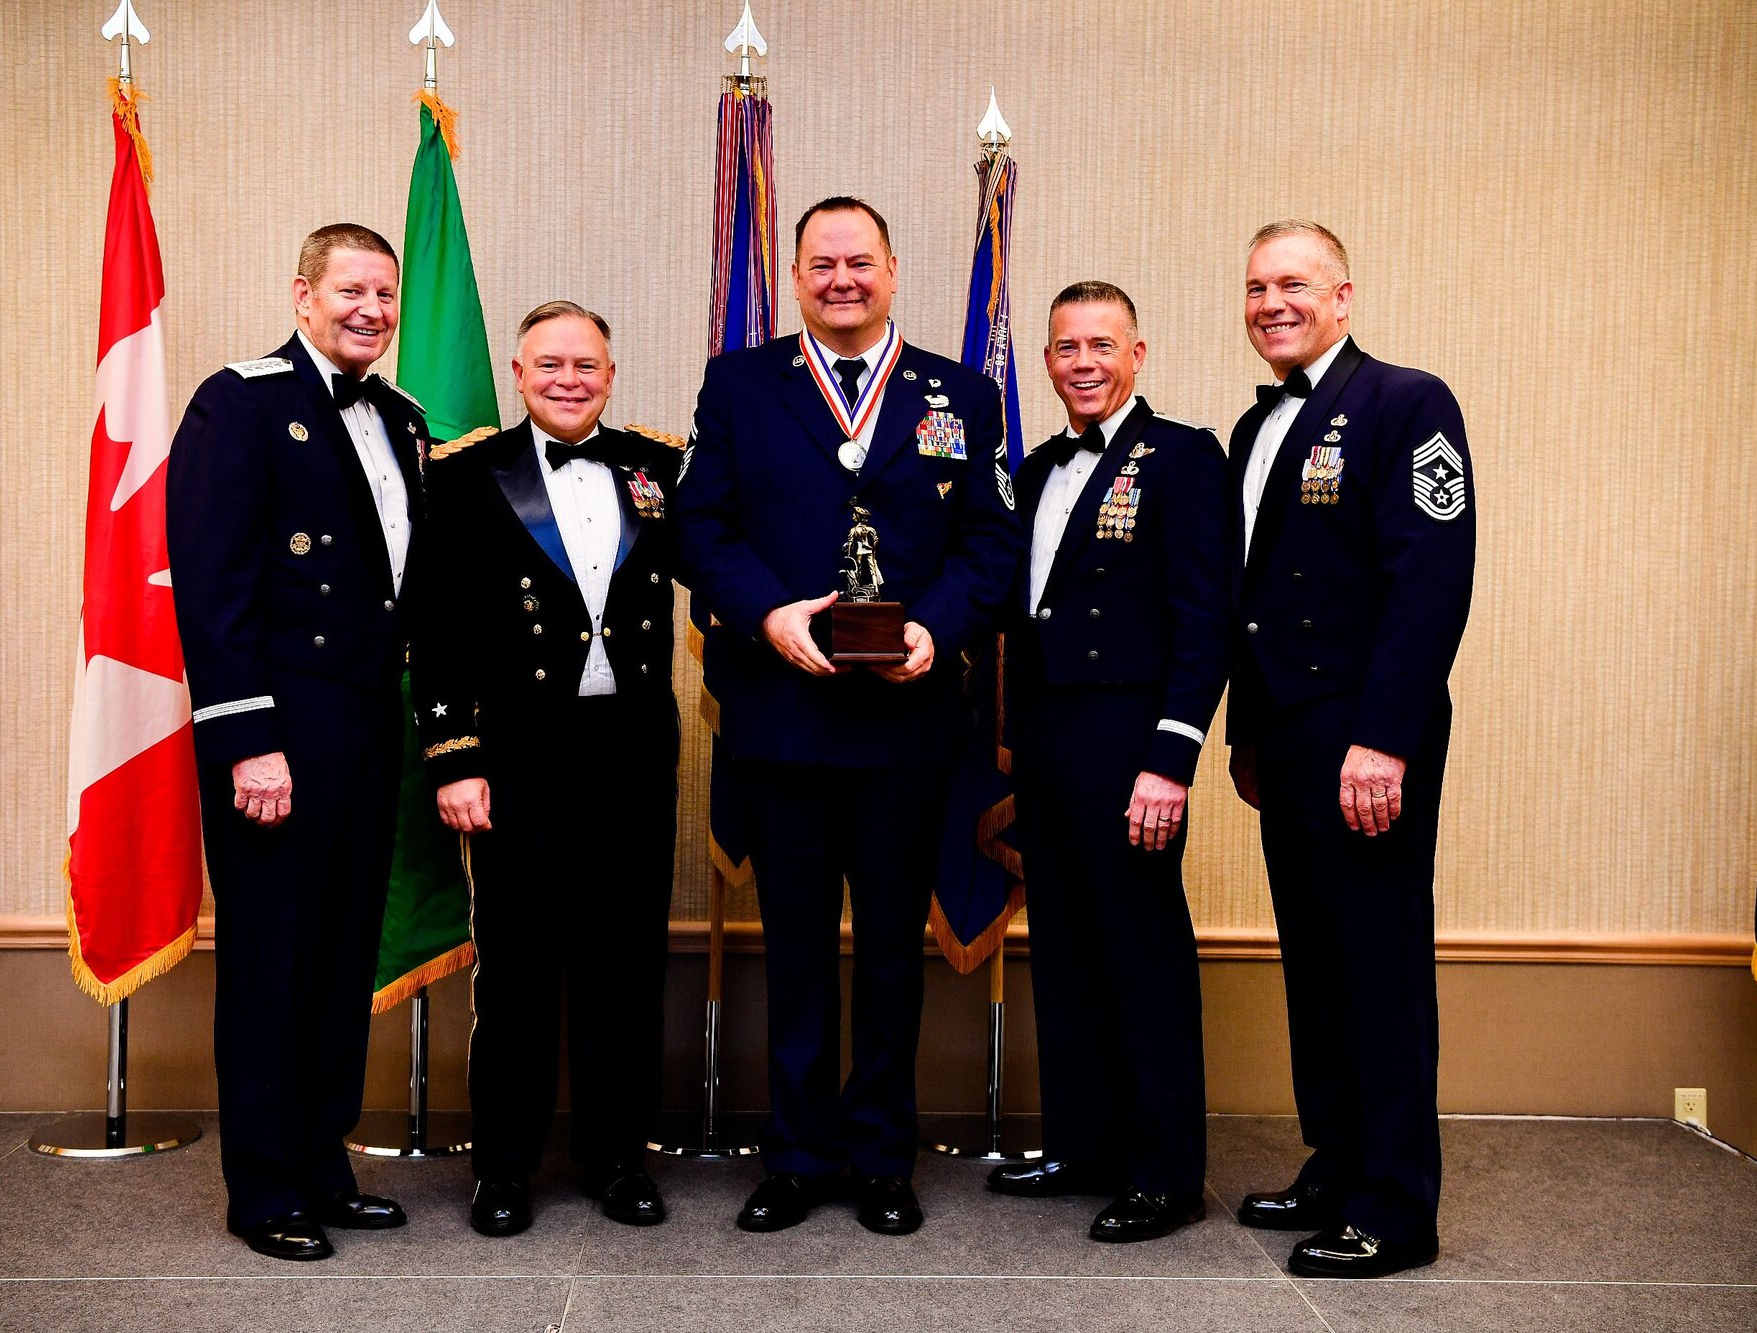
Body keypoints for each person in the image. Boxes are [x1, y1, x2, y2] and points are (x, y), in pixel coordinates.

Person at [676, 196, 1020, 1236]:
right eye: (821, 263)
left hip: (907, 722)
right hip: (783, 715)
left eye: (858, 261)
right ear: (794, 276)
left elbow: (991, 541)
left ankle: (879, 1156)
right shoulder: (739, 386)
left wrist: (941, 628)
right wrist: (766, 611)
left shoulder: (961, 393)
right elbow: (699, 524)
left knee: (883, 951)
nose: (840, 279)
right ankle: (795, 1154)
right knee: (792, 950)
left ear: (893, 268)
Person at [168, 223, 425, 1262]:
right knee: (273, 957)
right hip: (278, 729)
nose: (369, 309)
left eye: (384, 295)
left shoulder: (401, 418)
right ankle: (262, 1183)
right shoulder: (241, 401)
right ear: (304, 293)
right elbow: (213, 585)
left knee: (339, 955)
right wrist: (248, 741)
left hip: (366, 725)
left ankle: (323, 1161)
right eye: (350, 290)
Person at [1226, 221, 1475, 1277]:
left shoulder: (1404, 402)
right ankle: (1335, 1159)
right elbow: (1250, 600)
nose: (1270, 302)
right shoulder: (1252, 428)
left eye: (1292, 283)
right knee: (1314, 963)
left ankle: (1395, 1206)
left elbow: (1430, 578)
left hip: (1363, 735)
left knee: (1375, 966)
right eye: (1253, 287)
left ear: (1342, 296)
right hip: (1284, 737)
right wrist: (1243, 732)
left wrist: (1383, 739)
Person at [407, 301, 681, 1237]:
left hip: (634, 753)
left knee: (625, 964)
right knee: (517, 970)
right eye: (550, 365)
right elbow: (435, 630)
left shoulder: (660, 468)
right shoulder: (465, 476)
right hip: (520, 754)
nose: (570, 380)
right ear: (518, 375)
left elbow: (725, 564)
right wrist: (454, 758)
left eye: (588, 366)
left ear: (612, 375)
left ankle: (617, 1158)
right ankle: (505, 1168)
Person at [987, 282, 1229, 1242]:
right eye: (1064, 347)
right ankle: (1084, 1146)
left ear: (1138, 354)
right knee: (1069, 953)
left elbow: (1203, 616)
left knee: (1143, 954)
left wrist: (1172, 757)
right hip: (1046, 744)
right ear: (1045, 362)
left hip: (1133, 745)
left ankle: (1166, 1173)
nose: (1082, 362)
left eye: (1101, 345)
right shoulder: (1037, 465)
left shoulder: (1182, 458)